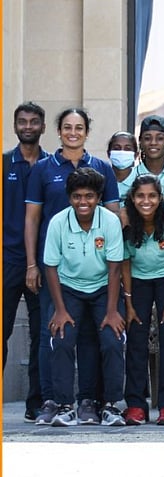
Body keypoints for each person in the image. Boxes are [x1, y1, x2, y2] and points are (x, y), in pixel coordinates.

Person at [25, 107, 120, 425]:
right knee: (53, 333)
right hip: (60, 271)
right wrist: (31, 264)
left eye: (79, 127)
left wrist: (113, 305)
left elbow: (113, 229)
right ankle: (53, 401)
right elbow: (32, 219)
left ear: (87, 132)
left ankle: (92, 402)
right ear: (59, 131)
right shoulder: (43, 169)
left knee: (97, 338)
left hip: (97, 275)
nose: (73, 132)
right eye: (67, 127)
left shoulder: (102, 169)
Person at [41, 168, 126, 426]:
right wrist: (59, 310)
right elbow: (51, 267)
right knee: (62, 339)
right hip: (69, 288)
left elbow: (114, 269)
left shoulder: (109, 221)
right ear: (69, 197)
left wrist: (112, 311)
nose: (83, 202)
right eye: (77, 196)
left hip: (103, 288)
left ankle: (111, 405)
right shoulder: (58, 222)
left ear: (99, 197)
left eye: (89, 196)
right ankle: (65, 406)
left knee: (112, 340)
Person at [121, 175, 164, 425]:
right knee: (136, 339)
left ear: (160, 198)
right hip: (137, 282)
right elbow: (125, 263)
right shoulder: (127, 225)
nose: (146, 201)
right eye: (140, 196)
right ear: (132, 198)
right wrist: (128, 303)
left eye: (151, 196)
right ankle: (136, 405)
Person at [3, 101, 49, 422]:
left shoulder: (51, 165)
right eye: (23, 121)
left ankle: (37, 402)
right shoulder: (4, 164)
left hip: (43, 265)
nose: (28, 126)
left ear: (43, 127)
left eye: (34, 122)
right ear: (15, 125)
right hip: (7, 260)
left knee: (41, 335)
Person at [108, 131, 139, 199]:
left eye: (127, 149)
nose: (122, 152)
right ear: (109, 153)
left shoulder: (142, 180)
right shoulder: (102, 179)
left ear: (136, 155)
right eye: (117, 148)